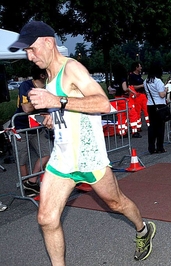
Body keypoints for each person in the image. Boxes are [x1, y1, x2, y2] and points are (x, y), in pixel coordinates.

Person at [8, 21, 156, 264]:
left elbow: (102, 103)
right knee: (46, 218)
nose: (29, 56)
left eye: (32, 49)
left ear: (48, 42)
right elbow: (69, 108)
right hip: (63, 160)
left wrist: (58, 102)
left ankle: (143, 229)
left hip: (89, 158)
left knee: (116, 203)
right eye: (26, 51)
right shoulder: (50, 76)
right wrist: (54, 118)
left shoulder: (72, 68)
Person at [13, 64, 50, 197]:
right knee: (22, 158)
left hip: (37, 127)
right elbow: (26, 109)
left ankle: (31, 181)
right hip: (22, 127)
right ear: (42, 75)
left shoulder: (48, 88)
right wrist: (44, 102)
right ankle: (26, 186)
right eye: (48, 72)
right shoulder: (26, 85)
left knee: (46, 153)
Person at [144, 64, 168, 154]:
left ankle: (151, 147)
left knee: (152, 127)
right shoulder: (158, 81)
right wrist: (166, 90)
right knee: (160, 127)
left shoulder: (145, 81)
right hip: (160, 105)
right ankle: (160, 147)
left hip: (150, 105)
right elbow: (161, 94)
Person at [129, 61, 149, 134]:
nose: (141, 68)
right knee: (137, 112)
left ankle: (149, 124)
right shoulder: (132, 76)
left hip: (143, 95)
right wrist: (141, 86)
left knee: (146, 110)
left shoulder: (139, 75)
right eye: (140, 66)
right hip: (137, 96)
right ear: (136, 68)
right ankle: (138, 127)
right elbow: (132, 87)